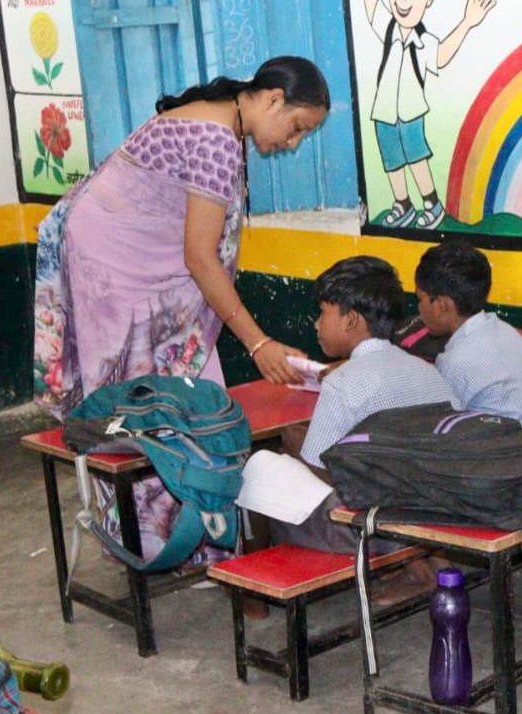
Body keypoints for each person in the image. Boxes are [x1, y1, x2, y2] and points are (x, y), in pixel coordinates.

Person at [33, 55, 330, 565]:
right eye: (297, 127)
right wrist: (258, 343)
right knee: (138, 403)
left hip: (142, 262)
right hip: (114, 267)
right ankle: (148, 538)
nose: (294, 142)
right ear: (274, 99)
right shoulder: (217, 138)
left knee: (189, 393)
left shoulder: (222, 119)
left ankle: (192, 527)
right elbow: (200, 257)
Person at [269, 256, 460, 562]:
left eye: (323, 313)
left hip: (374, 529)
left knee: (267, 474)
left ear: (351, 321)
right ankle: (419, 562)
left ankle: (271, 580)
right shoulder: (427, 370)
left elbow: (323, 472)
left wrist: (294, 446)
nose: (316, 324)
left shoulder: (342, 382)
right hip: (436, 514)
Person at [345, 0, 497, 229]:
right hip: (383, 111)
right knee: (392, 159)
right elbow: (372, 8)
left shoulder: (423, 42)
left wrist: (467, 22)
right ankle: (402, 203)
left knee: (416, 158)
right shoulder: (388, 28)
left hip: (411, 111)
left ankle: (431, 203)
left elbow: (441, 55)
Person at [414, 241, 522, 436]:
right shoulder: (503, 330)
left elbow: (437, 430)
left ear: (441, 305)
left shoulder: (456, 361)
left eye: (420, 299)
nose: (418, 308)